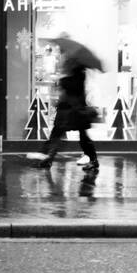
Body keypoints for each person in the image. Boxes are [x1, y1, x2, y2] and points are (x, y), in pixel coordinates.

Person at [36, 41, 99, 174]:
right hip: (68, 108)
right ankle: (48, 159)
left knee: (80, 137)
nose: (66, 60)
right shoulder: (73, 73)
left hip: (74, 110)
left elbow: (74, 89)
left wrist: (63, 80)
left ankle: (93, 160)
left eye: (69, 60)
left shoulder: (77, 75)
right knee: (58, 134)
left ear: (74, 62)